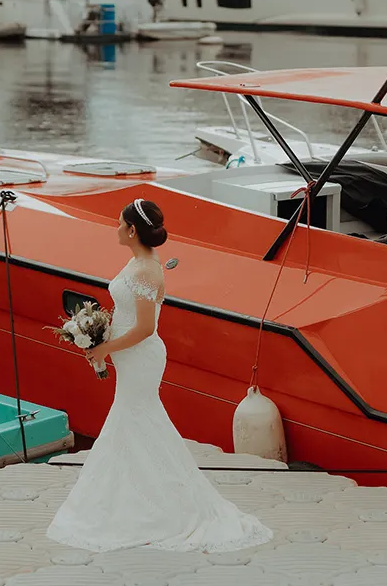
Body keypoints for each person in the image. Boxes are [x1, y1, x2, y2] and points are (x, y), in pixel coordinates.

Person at [46, 198, 272, 553]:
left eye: (120, 223)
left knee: (135, 420)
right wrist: (101, 336)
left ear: (132, 230)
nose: (116, 228)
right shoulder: (137, 262)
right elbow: (125, 312)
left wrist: (105, 348)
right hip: (127, 353)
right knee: (136, 423)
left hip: (141, 357)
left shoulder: (147, 271)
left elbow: (147, 328)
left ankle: (161, 505)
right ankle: (141, 495)